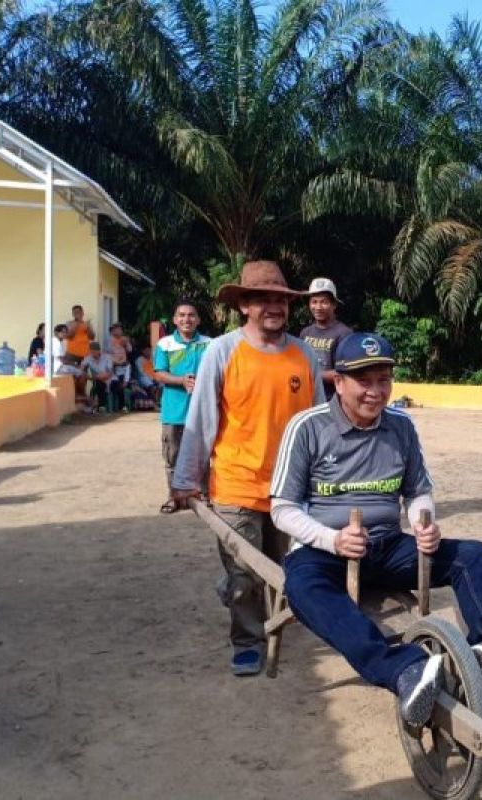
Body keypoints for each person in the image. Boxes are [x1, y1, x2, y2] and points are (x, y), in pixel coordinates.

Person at [270, 333, 482, 727]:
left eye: (384, 380)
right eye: (364, 381)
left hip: (387, 545)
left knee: (476, 556)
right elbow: (283, 509)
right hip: (323, 551)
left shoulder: (400, 426)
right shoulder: (307, 427)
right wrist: (333, 540)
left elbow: (417, 492)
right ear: (338, 382)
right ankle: (405, 669)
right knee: (304, 589)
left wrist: (423, 522)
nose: (376, 392)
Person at [170, 262, 325, 676]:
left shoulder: (303, 354)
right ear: (244, 305)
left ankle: (240, 592)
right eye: (263, 299)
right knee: (245, 576)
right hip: (235, 483)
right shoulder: (223, 352)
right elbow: (201, 420)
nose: (274, 307)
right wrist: (185, 480)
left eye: (280, 299)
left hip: (290, 488)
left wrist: (327, 479)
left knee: (284, 571)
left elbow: (320, 422)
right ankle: (247, 641)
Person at [154, 301, 210, 513]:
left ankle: (205, 496)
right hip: (173, 413)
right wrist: (181, 381)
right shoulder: (165, 344)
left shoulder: (209, 344)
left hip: (203, 413)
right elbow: (159, 373)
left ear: (198, 320)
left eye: (191, 315)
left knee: (203, 456)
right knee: (173, 457)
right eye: (182, 315)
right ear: (175, 319)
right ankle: (174, 497)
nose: (187, 319)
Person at [299, 277, 353, 400]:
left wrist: (312, 374)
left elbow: (345, 373)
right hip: (307, 399)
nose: (318, 307)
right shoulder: (305, 333)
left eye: (324, 302)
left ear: (334, 304)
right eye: (314, 302)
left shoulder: (344, 333)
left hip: (333, 401)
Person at [80, 341, 121, 412]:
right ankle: (101, 406)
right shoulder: (88, 358)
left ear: (99, 350)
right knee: (99, 385)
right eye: (91, 351)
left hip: (110, 378)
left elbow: (110, 371)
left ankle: (116, 407)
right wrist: (88, 376)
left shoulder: (107, 357)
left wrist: (103, 377)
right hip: (98, 379)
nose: (93, 353)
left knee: (115, 386)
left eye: (94, 351)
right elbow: (81, 368)